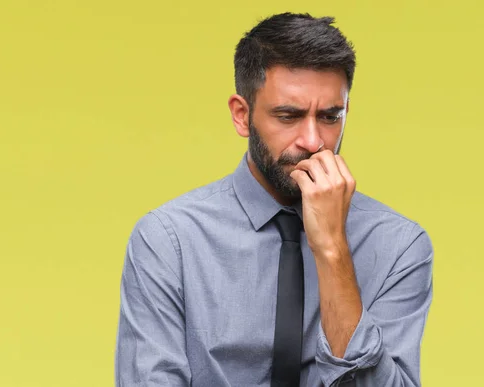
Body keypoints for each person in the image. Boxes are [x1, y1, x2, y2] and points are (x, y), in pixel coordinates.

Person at [114, 12, 433, 387]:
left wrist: (332, 251)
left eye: (330, 117)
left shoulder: (399, 246)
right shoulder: (169, 242)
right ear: (242, 115)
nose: (313, 141)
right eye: (289, 116)